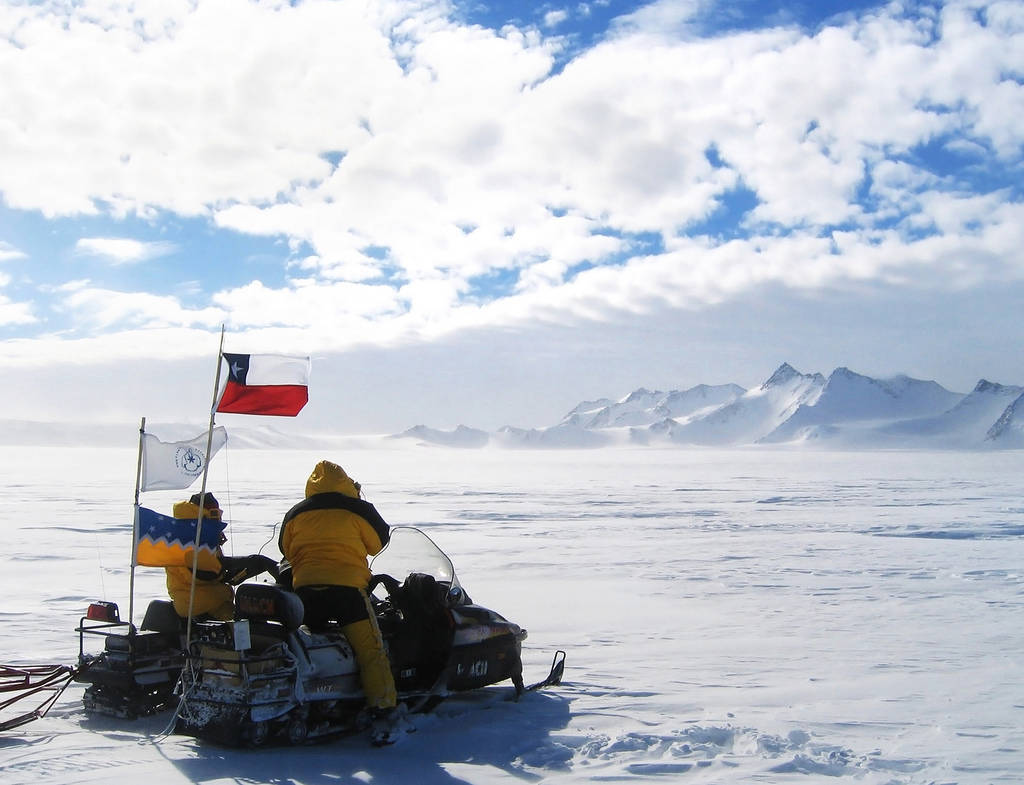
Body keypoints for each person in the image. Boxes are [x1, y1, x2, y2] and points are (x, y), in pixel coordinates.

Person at [278, 460, 405, 745]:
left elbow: (285, 549)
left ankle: (317, 697)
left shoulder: (296, 512)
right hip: (347, 591)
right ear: (345, 482)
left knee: (310, 646)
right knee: (371, 650)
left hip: (305, 590)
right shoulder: (357, 508)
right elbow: (379, 543)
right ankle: (384, 708)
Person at [166, 491, 278, 621]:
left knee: (249, 618)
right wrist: (245, 562)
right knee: (242, 624)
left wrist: (240, 573)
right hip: (195, 602)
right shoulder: (188, 537)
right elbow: (206, 571)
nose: (218, 518)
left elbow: (214, 570)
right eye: (214, 513)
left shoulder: (202, 536)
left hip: (211, 598)